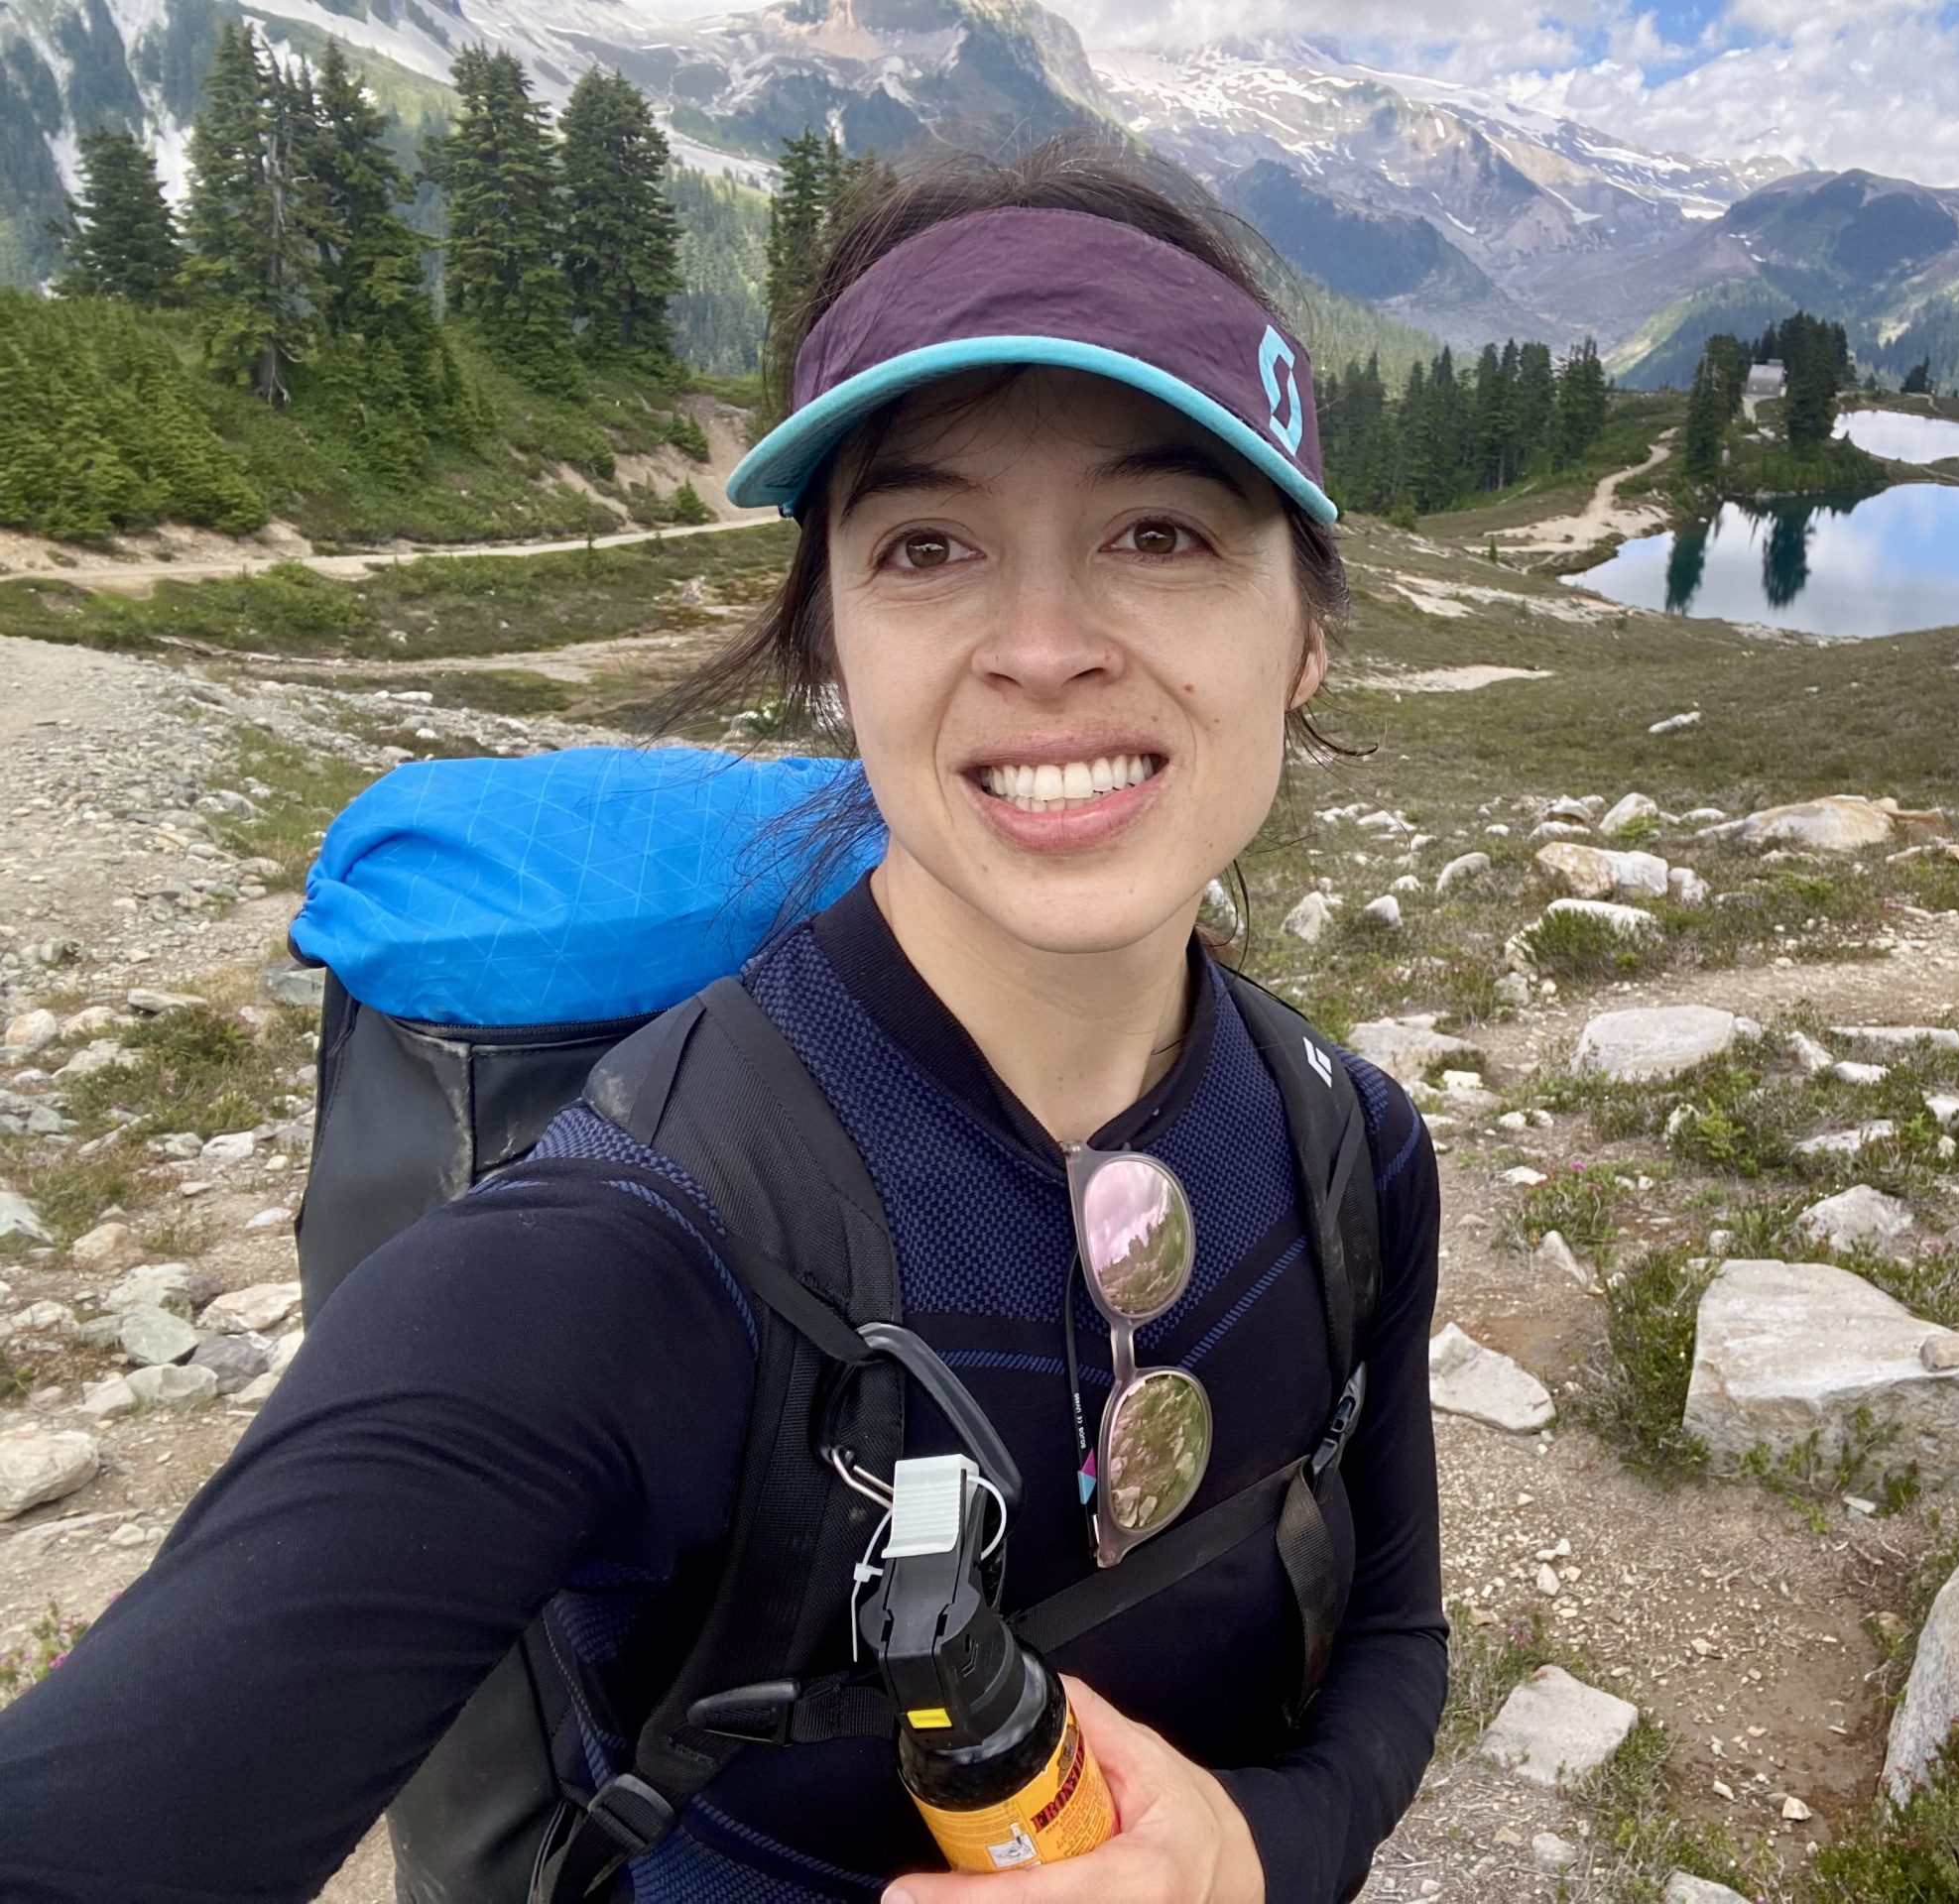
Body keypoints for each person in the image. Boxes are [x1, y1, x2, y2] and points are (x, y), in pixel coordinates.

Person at [0, 131, 1446, 1903]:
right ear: (833, 638)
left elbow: (1392, 1646)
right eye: (927, 545)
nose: (1045, 642)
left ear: (1304, 629)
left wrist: (1250, 1856)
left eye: (1163, 532)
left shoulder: (1348, 1138)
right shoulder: (637, 1244)